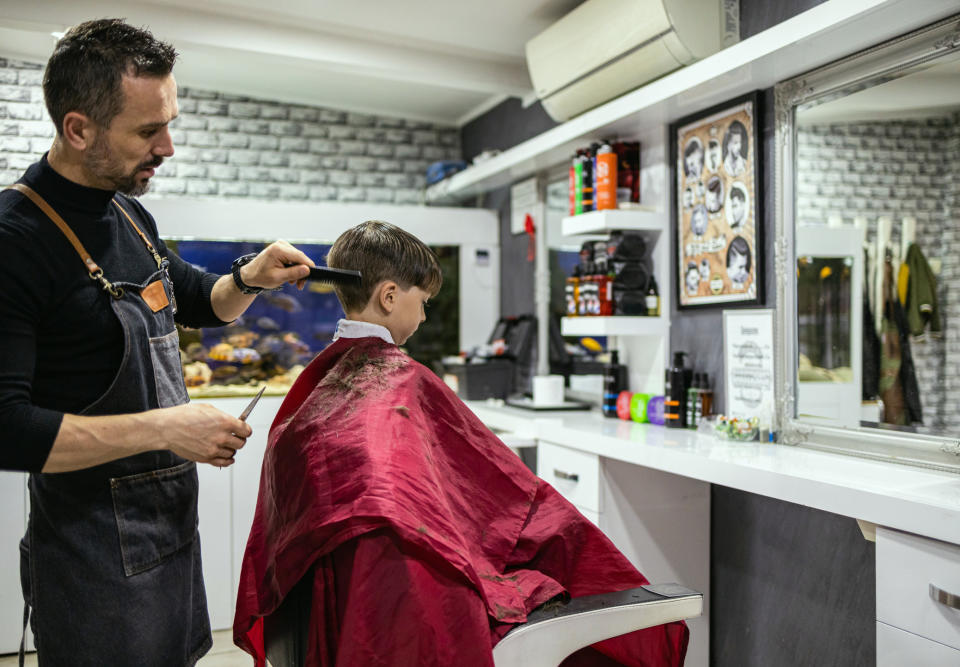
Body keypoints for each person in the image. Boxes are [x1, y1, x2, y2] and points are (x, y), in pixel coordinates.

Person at [0, 19, 315, 665]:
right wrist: (166, 427)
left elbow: (197, 298)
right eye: (148, 130)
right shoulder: (15, 240)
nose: (168, 145)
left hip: (167, 533)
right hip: (89, 555)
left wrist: (249, 277)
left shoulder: (126, 208)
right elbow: (6, 428)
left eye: (169, 121)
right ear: (79, 127)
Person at [234, 220, 689, 667]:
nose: (425, 315)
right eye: (424, 301)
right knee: (559, 541)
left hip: (335, 605)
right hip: (398, 593)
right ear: (390, 296)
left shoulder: (321, 387)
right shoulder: (399, 382)